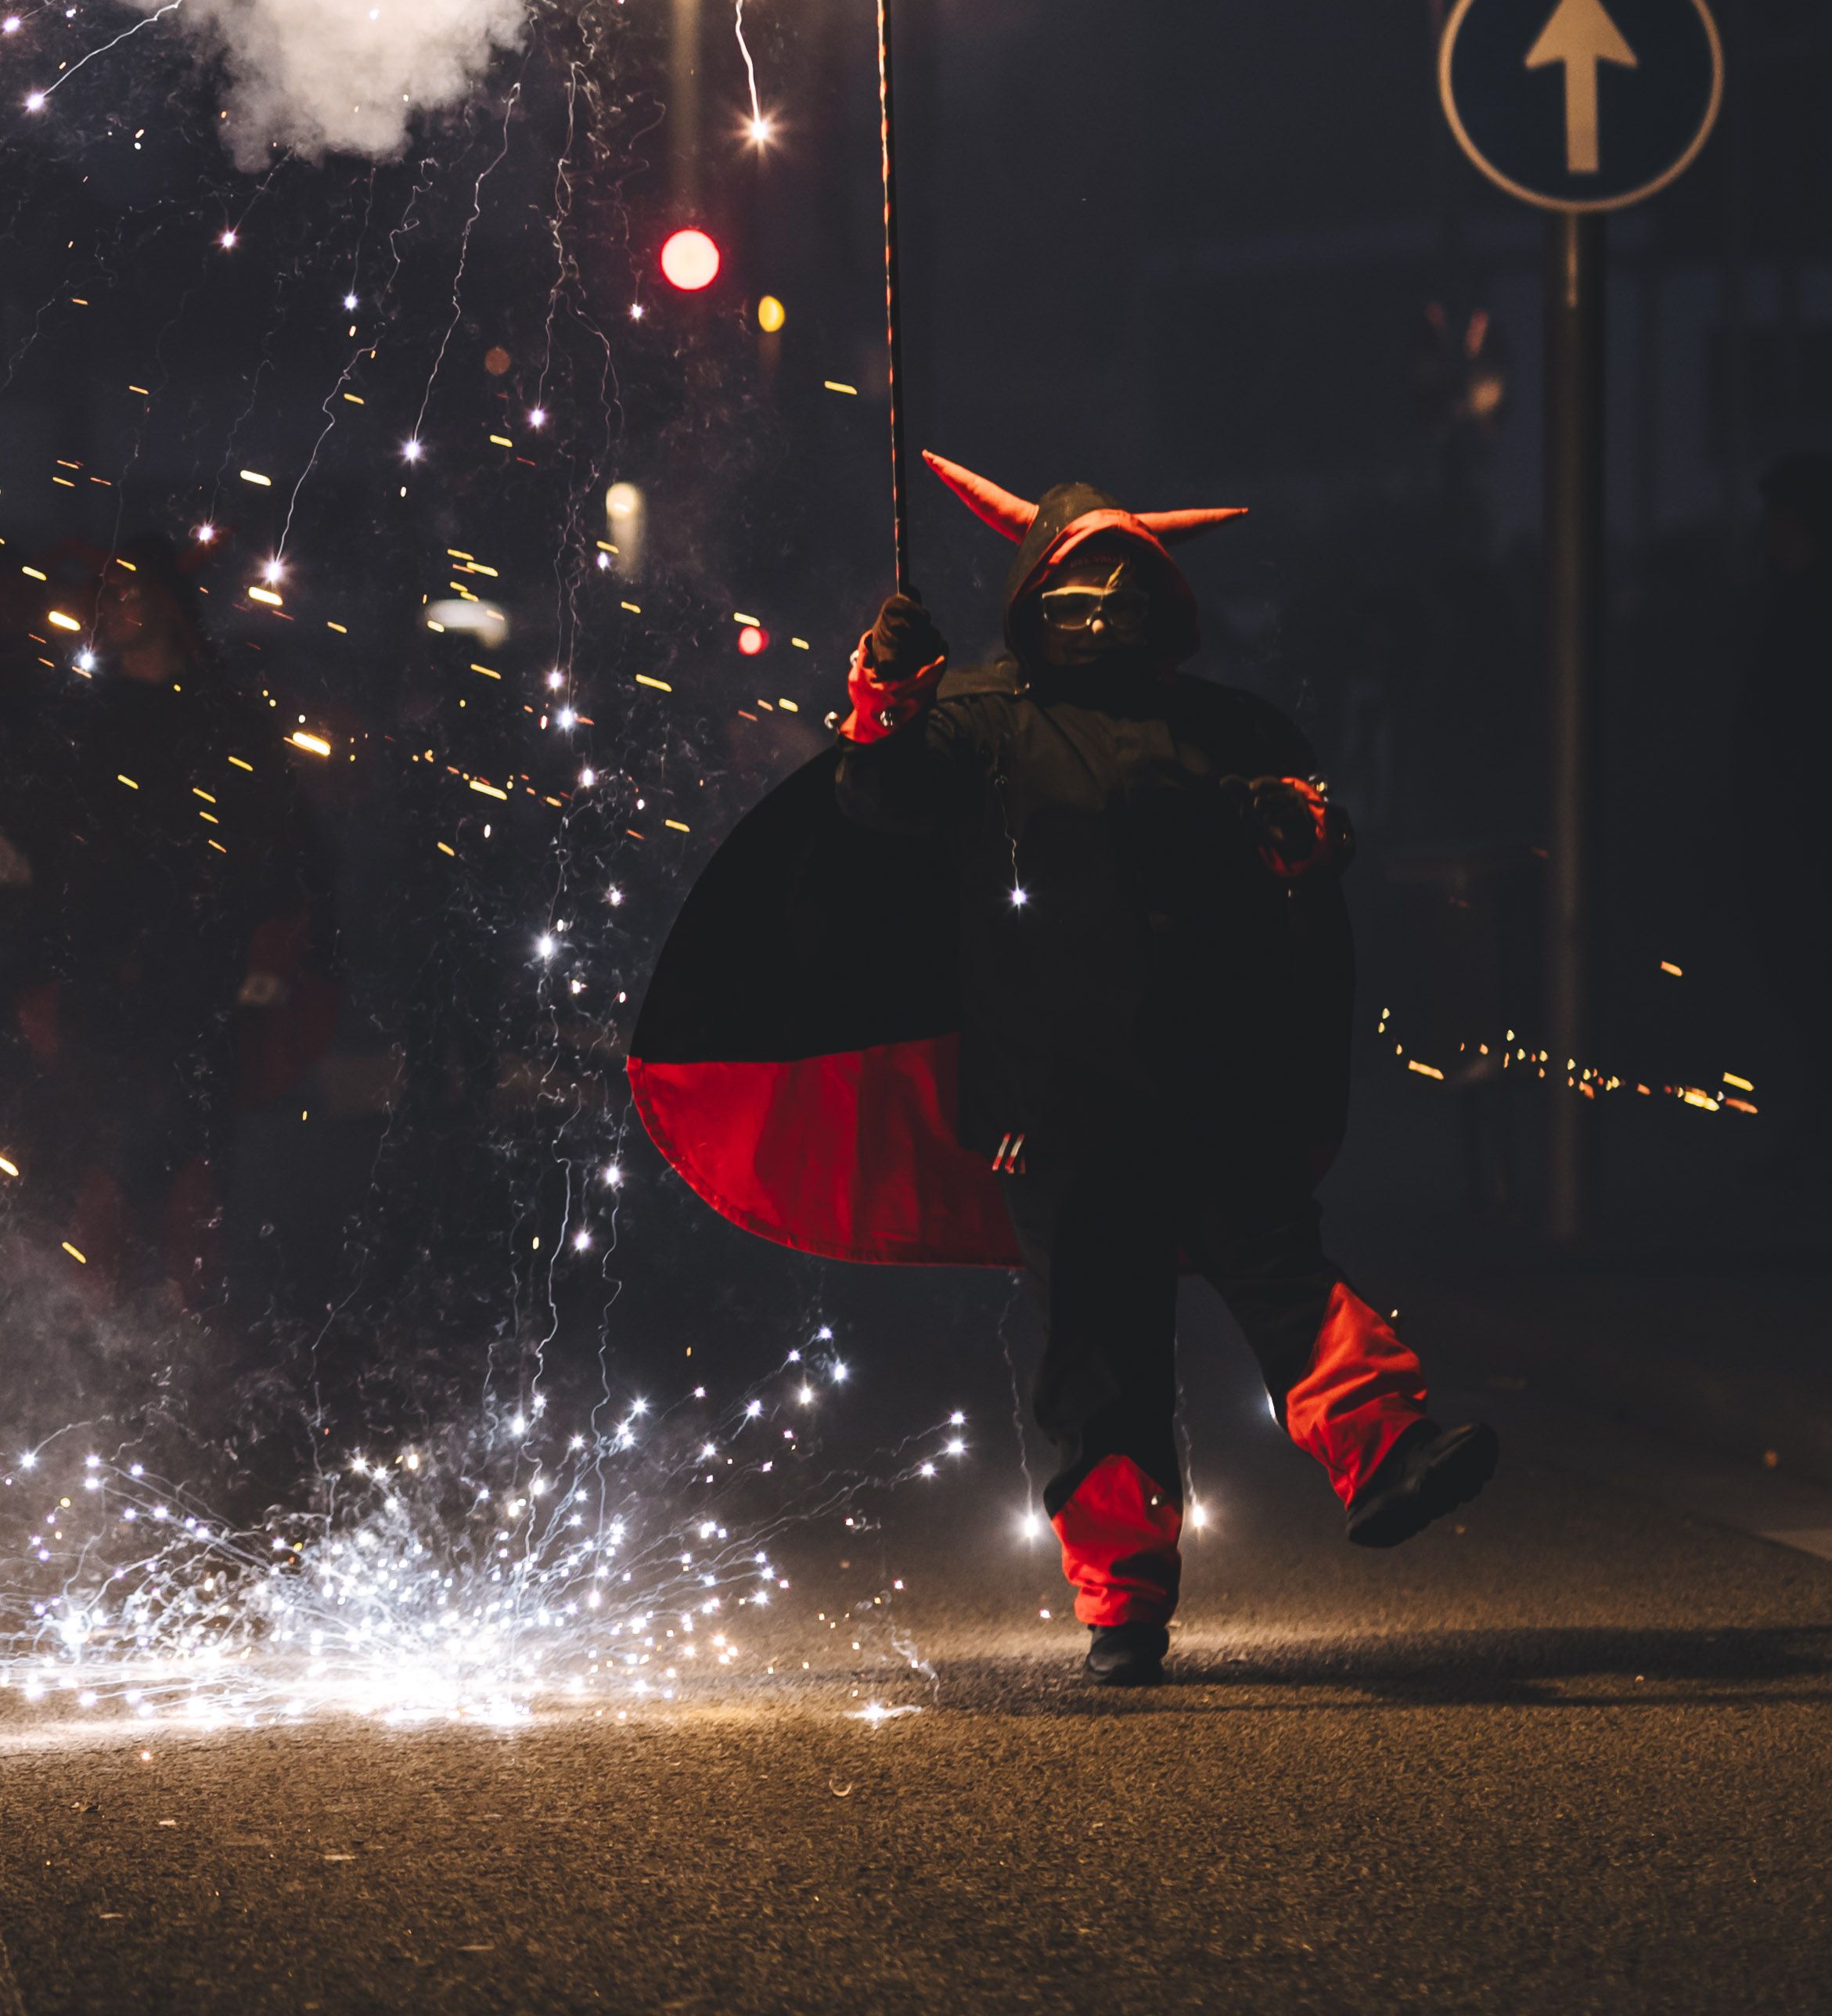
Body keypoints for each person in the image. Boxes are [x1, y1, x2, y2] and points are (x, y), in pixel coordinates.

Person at [632, 454, 1495, 1685]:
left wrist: (1305, 842)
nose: (1095, 614)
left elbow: (1296, 852)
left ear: (1161, 604)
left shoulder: (1227, 726)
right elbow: (877, 800)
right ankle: (1122, 1604)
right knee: (1098, 1356)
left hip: (1212, 1080)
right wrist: (885, 693)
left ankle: (1387, 1453)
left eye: (1120, 593)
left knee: (1284, 1277)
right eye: (1071, 592)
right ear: (1031, 597)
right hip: (1054, 1103)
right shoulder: (980, 721)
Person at [1726, 454, 1832, 1187]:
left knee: (1819, 986)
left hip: (1815, 834)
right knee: (1824, 987)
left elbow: (1811, 731)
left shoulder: (1820, 608)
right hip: (1823, 831)